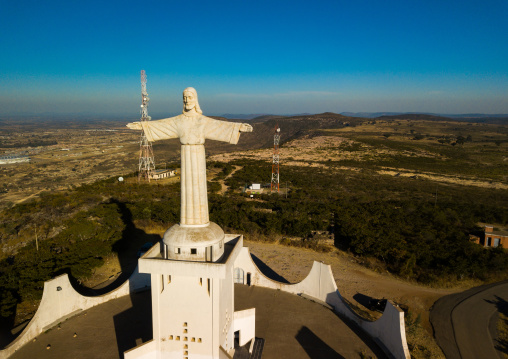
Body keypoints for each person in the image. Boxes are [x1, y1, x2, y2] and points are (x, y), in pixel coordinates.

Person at [127, 87, 253, 226]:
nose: (187, 100)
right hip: (185, 154)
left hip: (198, 155)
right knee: (187, 192)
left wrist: (239, 127)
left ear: (196, 99)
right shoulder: (178, 121)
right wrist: (143, 126)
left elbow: (220, 126)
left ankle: (200, 223)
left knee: (198, 188)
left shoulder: (202, 121)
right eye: (184, 98)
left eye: (190, 97)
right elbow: (161, 126)